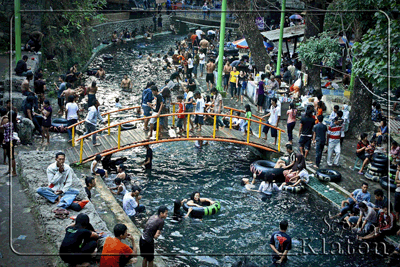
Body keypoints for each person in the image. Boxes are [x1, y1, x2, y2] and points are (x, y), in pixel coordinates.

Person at [0, 111, 17, 175]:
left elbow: (1, 126)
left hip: (8, 142)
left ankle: (14, 171)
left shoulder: (8, 124)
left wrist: (2, 118)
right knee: (10, 156)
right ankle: (10, 170)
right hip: (10, 141)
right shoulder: (13, 123)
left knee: (11, 157)